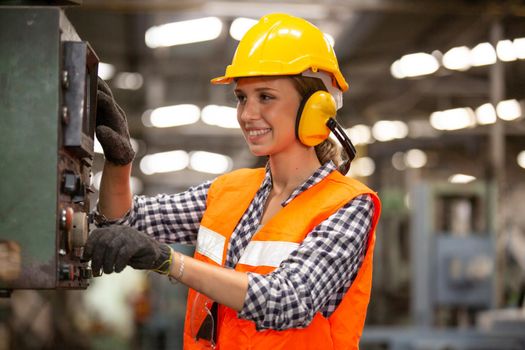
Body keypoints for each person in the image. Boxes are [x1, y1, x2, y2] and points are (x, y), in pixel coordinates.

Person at [84, 13, 381, 350]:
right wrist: (119, 165)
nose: (247, 114)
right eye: (242, 98)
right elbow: (122, 222)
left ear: (316, 107)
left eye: (265, 97)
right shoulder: (230, 192)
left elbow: (289, 300)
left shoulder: (349, 205)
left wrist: (170, 260)